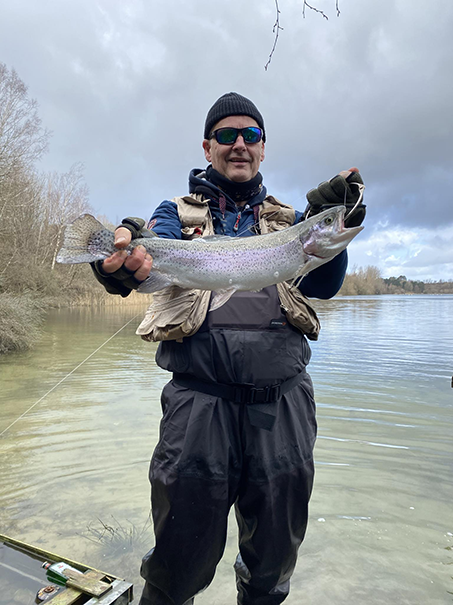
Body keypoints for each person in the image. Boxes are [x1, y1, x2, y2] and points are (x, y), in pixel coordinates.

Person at [91, 92, 366, 605]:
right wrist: (122, 260)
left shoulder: (289, 221)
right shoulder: (175, 212)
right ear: (207, 146)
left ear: (263, 149)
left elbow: (323, 285)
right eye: (226, 135)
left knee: (274, 557)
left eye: (251, 136)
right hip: (198, 407)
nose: (239, 144)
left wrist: (329, 218)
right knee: (180, 556)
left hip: (283, 407)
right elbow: (145, 261)